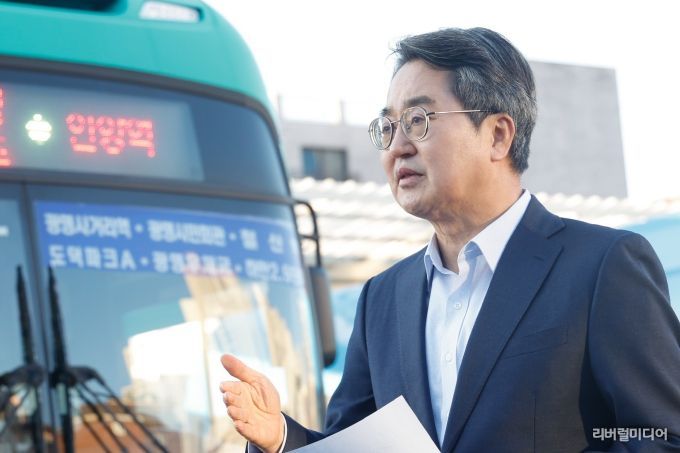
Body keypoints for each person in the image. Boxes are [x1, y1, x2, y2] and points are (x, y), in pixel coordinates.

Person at [219, 27, 680, 452]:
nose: (397, 146)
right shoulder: (383, 298)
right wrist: (280, 437)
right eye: (388, 127)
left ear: (497, 135)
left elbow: (662, 434)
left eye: (419, 120)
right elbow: (348, 444)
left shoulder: (601, 266)